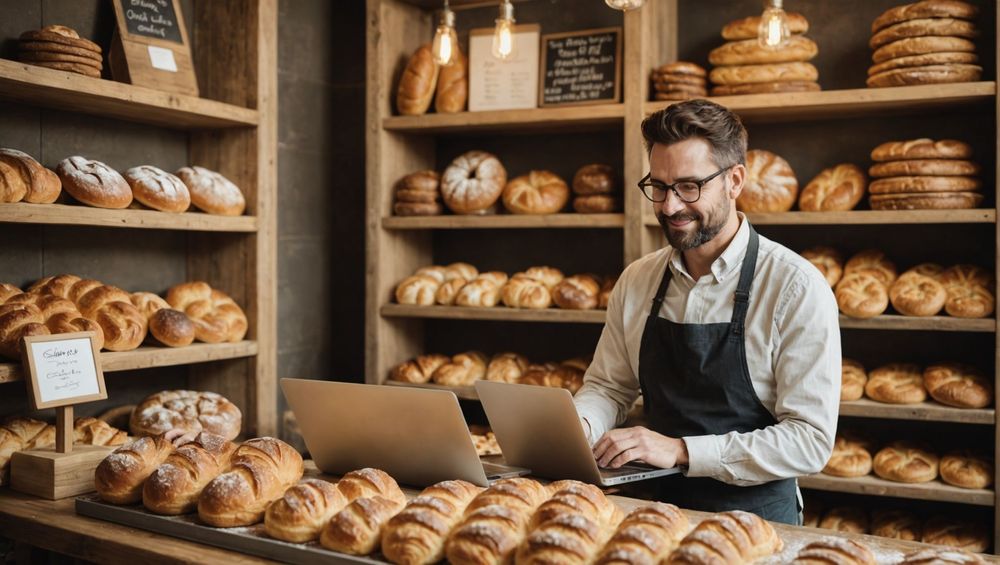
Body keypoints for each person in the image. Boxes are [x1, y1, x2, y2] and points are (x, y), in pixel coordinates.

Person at [573, 99, 840, 525]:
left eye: (689, 187)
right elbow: (609, 387)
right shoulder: (638, 280)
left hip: (756, 524)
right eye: (658, 187)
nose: (669, 206)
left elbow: (808, 441)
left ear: (735, 181)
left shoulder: (794, 287)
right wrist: (575, 429)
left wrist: (681, 450)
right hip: (654, 514)